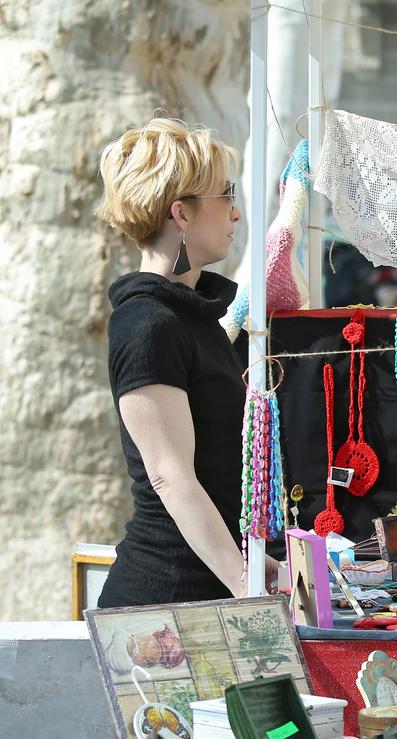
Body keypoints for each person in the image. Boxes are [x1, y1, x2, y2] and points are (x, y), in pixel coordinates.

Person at [95, 117, 252, 606]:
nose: (236, 214)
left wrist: (267, 565)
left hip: (208, 590)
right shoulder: (146, 323)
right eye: (226, 195)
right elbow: (170, 475)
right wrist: (249, 587)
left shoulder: (196, 317)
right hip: (166, 604)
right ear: (181, 214)